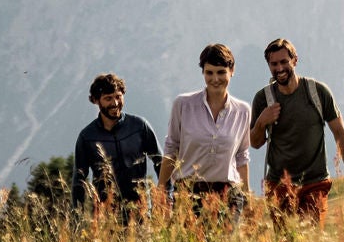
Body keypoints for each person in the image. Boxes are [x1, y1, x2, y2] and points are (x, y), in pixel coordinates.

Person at [248, 38, 344, 221]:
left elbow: (340, 133)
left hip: (314, 184)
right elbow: (255, 143)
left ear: (295, 60)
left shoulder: (318, 92)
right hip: (279, 186)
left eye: (284, 62)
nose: (279, 68)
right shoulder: (263, 98)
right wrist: (262, 121)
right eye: (274, 64)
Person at [160, 43, 252, 209]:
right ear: (203, 72)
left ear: (232, 71)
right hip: (188, 192)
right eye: (209, 72)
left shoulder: (242, 111)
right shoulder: (183, 105)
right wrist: (161, 192)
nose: (215, 79)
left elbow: (242, 156)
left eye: (221, 72)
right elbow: (171, 148)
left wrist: (247, 199)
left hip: (228, 194)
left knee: (227, 236)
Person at [71, 72, 162, 214]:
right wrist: (77, 218)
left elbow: (161, 162)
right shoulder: (87, 137)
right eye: (108, 98)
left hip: (141, 213)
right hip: (106, 218)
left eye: (118, 97)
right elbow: (79, 181)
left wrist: (165, 197)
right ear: (96, 100)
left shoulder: (139, 126)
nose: (115, 103)